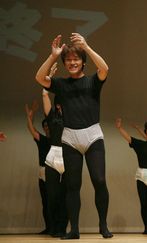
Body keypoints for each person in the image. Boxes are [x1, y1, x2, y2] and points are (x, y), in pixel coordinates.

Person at [35, 33, 112, 239]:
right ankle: (75, 229)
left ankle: (103, 225)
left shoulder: (93, 81)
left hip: (93, 135)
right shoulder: (60, 84)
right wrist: (53, 56)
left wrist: (86, 47)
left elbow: (104, 68)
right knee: (72, 185)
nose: (72, 62)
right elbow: (40, 78)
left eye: (76, 59)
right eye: (68, 60)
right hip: (70, 137)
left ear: (83, 62)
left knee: (99, 179)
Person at [42, 62, 68, 238]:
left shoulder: (75, 118)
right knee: (52, 196)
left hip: (69, 156)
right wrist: (50, 76)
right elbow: (45, 93)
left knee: (67, 196)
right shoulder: (52, 117)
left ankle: (62, 228)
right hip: (53, 155)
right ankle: (53, 227)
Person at [25, 100, 51, 235]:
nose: (47, 127)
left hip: (57, 173)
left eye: (48, 125)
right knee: (45, 202)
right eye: (45, 126)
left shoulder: (59, 140)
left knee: (56, 202)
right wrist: (31, 114)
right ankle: (49, 227)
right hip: (43, 173)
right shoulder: (42, 140)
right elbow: (31, 128)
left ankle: (58, 227)